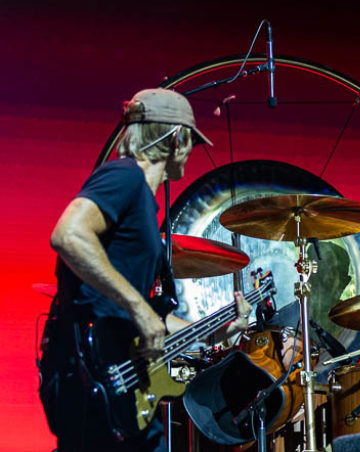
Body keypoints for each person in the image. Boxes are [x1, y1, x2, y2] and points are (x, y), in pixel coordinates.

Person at [38, 88, 251, 451]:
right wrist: (139, 309)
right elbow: (68, 234)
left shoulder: (141, 201)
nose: (191, 153)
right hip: (95, 372)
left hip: (118, 376)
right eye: (192, 142)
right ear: (177, 138)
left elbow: (152, 316)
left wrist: (215, 330)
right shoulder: (125, 177)